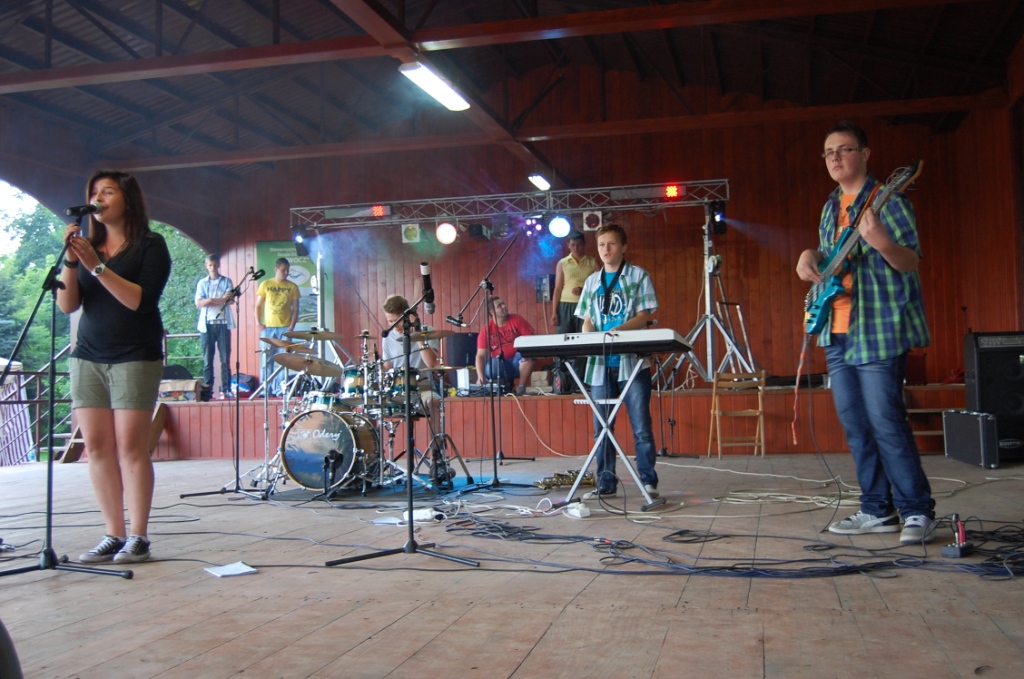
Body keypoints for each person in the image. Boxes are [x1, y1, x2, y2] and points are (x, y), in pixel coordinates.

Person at [796, 120, 934, 545]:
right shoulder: (830, 207)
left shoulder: (888, 201)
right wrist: (809, 255)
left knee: (886, 422)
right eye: (829, 152)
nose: (835, 158)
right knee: (856, 426)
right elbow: (829, 255)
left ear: (865, 154)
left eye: (844, 149)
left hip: (876, 330)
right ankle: (877, 509)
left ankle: (917, 510)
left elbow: (910, 261)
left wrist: (882, 243)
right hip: (835, 332)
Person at [57, 169, 172, 564]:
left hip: (134, 355)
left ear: (127, 200)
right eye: (94, 192)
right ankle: (113, 533)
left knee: (130, 446)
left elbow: (140, 301)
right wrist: (72, 260)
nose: (98, 198)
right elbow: (67, 305)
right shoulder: (87, 247)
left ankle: (138, 536)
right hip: (87, 355)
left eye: (107, 192)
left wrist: (97, 267)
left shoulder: (151, 245)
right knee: (96, 446)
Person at [575, 223, 659, 500]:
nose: (606, 249)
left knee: (641, 427)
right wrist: (590, 337)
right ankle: (606, 481)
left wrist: (617, 332)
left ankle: (648, 480)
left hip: (632, 363)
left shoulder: (638, 275)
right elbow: (587, 320)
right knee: (601, 429)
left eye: (611, 244)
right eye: (601, 245)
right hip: (600, 365)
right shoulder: (592, 281)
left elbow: (644, 316)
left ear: (624, 247)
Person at [381, 294, 441, 438]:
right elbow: (387, 366)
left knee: (434, 401)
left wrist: (418, 334)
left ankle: (436, 448)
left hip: (422, 388)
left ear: (408, 316)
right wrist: (374, 366)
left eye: (398, 321)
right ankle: (372, 450)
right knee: (369, 404)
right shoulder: (388, 337)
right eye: (390, 321)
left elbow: (431, 363)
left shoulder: (427, 331)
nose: (395, 326)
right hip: (397, 390)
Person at [550, 230, 599, 386]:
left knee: (583, 342)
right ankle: (561, 379)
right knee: (563, 341)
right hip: (565, 305)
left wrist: (583, 289)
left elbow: (600, 286)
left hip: (585, 307)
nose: (576, 248)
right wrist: (554, 312)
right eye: (573, 245)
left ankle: (580, 382)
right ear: (568, 245)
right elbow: (557, 288)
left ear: (584, 245)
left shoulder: (592, 262)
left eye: (579, 245)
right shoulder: (563, 263)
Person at [255, 258, 299, 397]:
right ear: (276, 269)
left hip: (285, 328)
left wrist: (292, 325)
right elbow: (258, 306)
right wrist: (258, 323)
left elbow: (296, 308)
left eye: (287, 270)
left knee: (284, 360)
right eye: (283, 270)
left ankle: (281, 390)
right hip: (268, 328)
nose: (286, 273)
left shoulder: (292, 287)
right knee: (266, 360)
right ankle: (265, 390)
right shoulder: (266, 284)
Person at [475, 297, 535, 396]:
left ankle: (521, 387)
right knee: (492, 366)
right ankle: (504, 386)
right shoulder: (486, 330)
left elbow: (532, 339)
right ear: (492, 312)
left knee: (527, 356)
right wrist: (480, 376)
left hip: (518, 361)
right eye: (500, 306)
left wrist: (528, 352)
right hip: (500, 364)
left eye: (503, 304)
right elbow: (480, 356)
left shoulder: (517, 319)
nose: (504, 306)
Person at [194, 254, 235, 400]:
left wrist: (210, 300)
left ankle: (226, 389)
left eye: (215, 265)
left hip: (223, 323)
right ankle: (208, 391)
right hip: (207, 325)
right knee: (207, 360)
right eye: (210, 265)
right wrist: (219, 299)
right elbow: (199, 303)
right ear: (206, 266)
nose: (213, 268)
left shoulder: (226, 281)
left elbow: (230, 300)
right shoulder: (202, 283)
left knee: (225, 359)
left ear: (219, 265)